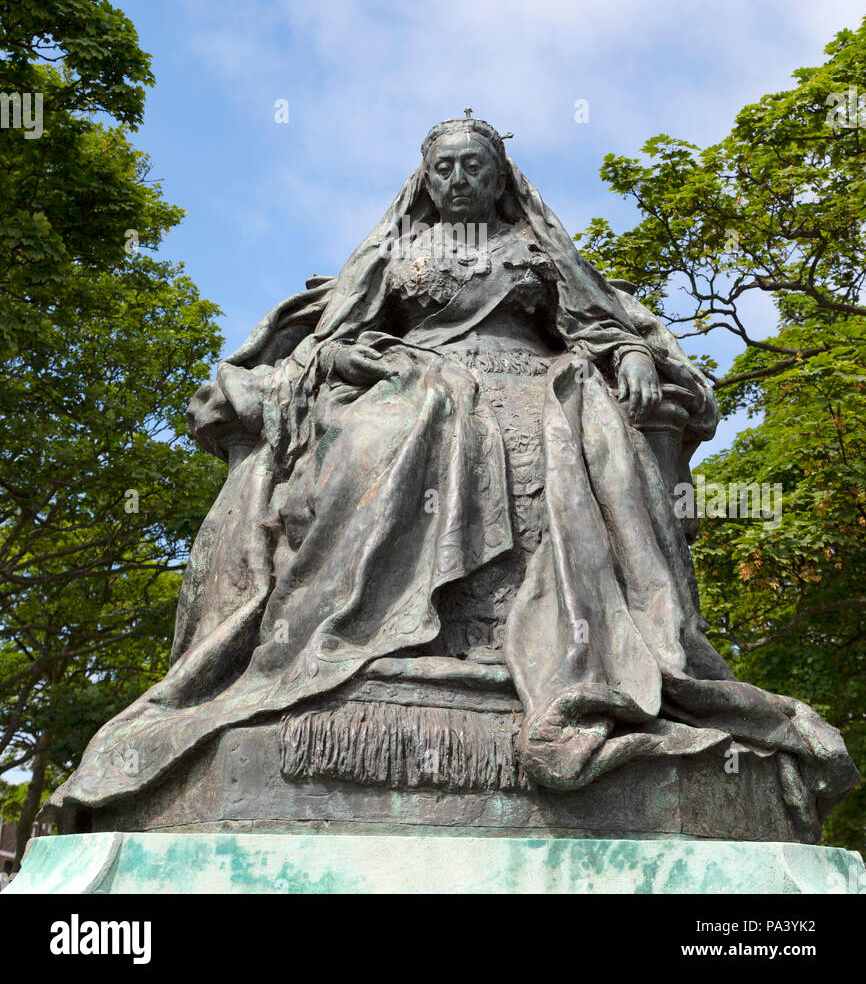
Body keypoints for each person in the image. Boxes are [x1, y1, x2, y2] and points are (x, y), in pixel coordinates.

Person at [49, 115, 857, 821]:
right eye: (445, 167)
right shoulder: (394, 252)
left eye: (476, 165)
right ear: (424, 178)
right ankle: (370, 631)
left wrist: (634, 354)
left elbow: (595, 325)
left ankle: (577, 648)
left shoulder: (536, 251)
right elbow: (333, 339)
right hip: (414, 380)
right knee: (383, 434)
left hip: (537, 381)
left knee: (584, 440)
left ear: (501, 176)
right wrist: (359, 366)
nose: (460, 178)